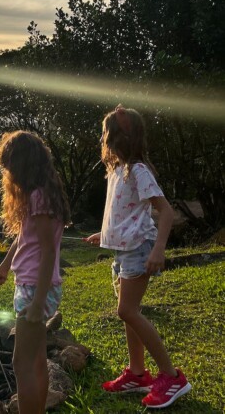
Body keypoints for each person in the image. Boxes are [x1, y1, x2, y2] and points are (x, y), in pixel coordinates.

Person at [85, 104, 191, 409]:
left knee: (127, 311)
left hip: (139, 250)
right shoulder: (117, 171)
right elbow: (121, 214)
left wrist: (159, 249)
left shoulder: (138, 170)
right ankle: (137, 373)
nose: (102, 137)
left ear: (120, 136)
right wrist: (102, 235)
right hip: (122, 250)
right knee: (128, 312)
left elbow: (166, 211)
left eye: (105, 132)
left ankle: (172, 378)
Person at [0, 130, 70, 414]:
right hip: (28, 285)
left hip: (38, 288)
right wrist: (3, 267)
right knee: (34, 361)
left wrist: (37, 304)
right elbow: (24, 237)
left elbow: (48, 251)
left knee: (21, 363)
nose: (8, 173)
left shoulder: (40, 197)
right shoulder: (36, 196)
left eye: (10, 166)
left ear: (23, 164)